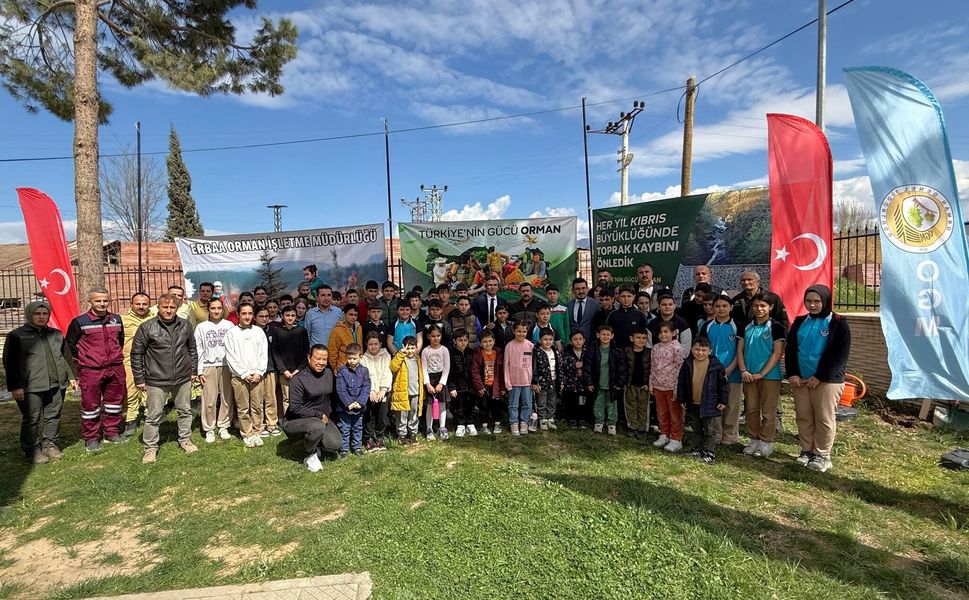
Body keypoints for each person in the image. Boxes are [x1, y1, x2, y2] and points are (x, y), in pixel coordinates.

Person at [786, 285, 851, 473]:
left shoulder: (838, 323)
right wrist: (793, 373)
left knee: (823, 418)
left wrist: (821, 376)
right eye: (808, 301)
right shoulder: (799, 322)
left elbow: (840, 355)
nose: (812, 305)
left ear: (825, 301)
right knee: (804, 416)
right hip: (801, 379)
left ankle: (822, 454)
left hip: (827, 381)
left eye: (817, 301)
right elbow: (791, 350)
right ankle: (807, 450)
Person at [130, 293, 199, 463]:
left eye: (172, 307)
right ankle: (150, 448)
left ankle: (185, 440)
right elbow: (136, 354)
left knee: (184, 411)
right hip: (156, 379)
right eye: (165, 307)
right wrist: (139, 378)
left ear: (177, 308)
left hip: (182, 377)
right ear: (158, 308)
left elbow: (192, 349)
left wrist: (193, 370)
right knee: (154, 415)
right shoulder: (147, 327)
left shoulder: (185, 325)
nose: (168, 311)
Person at [3, 301, 75, 464]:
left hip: (56, 384)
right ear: (30, 315)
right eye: (37, 314)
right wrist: (15, 386)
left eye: (45, 314)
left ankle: (50, 443)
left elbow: (66, 357)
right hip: (30, 386)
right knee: (32, 418)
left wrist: (71, 376)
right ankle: (32, 449)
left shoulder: (56, 334)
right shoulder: (16, 335)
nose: (41, 317)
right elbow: (10, 363)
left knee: (53, 415)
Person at [66, 287, 127, 452]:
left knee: (114, 403)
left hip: (115, 367)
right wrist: (84, 358)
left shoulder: (116, 319)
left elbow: (119, 341)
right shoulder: (80, 322)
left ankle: (111, 433)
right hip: (91, 370)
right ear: (90, 301)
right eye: (98, 300)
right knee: (90, 405)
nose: (102, 304)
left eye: (105, 300)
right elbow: (70, 344)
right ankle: (91, 438)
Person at [737, 292, 786, 459]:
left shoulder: (776, 327)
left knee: (768, 410)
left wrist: (762, 373)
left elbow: (777, 353)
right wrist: (744, 370)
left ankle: (766, 442)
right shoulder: (746, 326)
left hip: (769, 376)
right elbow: (740, 350)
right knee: (751, 409)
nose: (759, 309)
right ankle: (753, 438)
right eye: (756, 305)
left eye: (763, 306)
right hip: (749, 375)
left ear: (770, 307)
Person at [282, 345, 343, 472]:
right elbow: (295, 407)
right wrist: (319, 415)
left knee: (335, 444)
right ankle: (310, 454)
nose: (321, 362)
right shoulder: (298, 379)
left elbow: (332, 398)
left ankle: (315, 442)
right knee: (316, 426)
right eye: (318, 358)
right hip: (296, 421)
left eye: (324, 359)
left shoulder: (328, 374)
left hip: (322, 418)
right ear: (309, 358)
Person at [699, 295, 743, 446]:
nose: (721, 309)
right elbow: (702, 348)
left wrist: (731, 368)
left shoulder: (738, 326)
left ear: (730, 307)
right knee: (715, 403)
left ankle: (730, 436)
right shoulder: (707, 326)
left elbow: (740, 350)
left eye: (724, 306)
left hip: (733, 372)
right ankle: (716, 434)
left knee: (732, 404)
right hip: (712, 372)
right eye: (717, 306)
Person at [223, 303, 268, 448]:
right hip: (240, 376)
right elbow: (231, 357)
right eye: (244, 313)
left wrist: (259, 372)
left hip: (257, 376)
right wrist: (243, 373)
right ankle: (247, 433)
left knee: (257, 405)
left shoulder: (258, 332)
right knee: (243, 407)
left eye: (250, 313)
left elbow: (263, 354)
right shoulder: (232, 333)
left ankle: (256, 431)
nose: (247, 316)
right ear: (238, 315)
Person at [676, 337, 728, 464]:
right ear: (692, 349)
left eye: (703, 350)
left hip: (709, 403)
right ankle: (697, 449)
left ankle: (709, 452)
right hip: (693, 402)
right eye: (697, 349)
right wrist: (682, 398)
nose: (700, 353)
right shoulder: (687, 364)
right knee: (696, 428)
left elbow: (722, 385)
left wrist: (723, 401)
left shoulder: (716, 366)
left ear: (710, 351)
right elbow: (682, 382)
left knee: (709, 430)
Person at [194, 297, 235, 443]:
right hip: (208, 365)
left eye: (219, 308)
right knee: (209, 399)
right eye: (213, 308)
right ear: (208, 310)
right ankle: (209, 428)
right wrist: (199, 370)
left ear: (222, 309)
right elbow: (198, 349)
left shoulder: (229, 325)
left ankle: (223, 425)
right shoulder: (201, 327)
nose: (216, 311)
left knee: (226, 397)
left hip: (226, 366)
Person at [583, 324, 627, 435]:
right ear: (598, 335)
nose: (605, 337)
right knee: (598, 403)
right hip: (598, 382)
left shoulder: (617, 350)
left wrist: (619, 383)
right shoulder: (592, 349)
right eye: (603, 334)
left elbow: (622, 368)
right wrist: (589, 382)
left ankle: (611, 423)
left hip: (612, 383)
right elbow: (587, 367)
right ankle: (599, 422)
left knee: (612, 404)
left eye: (608, 335)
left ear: (612, 336)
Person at [650, 321, 687, 452]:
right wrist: (651, 383)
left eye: (666, 331)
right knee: (662, 412)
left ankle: (676, 438)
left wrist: (678, 388)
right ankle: (664, 434)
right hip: (658, 385)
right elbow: (653, 367)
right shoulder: (655, 348)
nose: (663, 334)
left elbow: (679, 369)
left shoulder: (678, 349)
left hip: (672, 387)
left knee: (675, 414)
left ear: (673, 333)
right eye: (660, 332)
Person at [120, 292, 152, 438]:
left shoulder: (155, 318)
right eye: (138, 304)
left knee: (151, 390)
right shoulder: (122, 320)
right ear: (131, 304)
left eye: (144, 304)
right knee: (131, 390)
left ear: (149, 305)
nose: (141, 306)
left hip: (151, 360)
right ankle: (131, 419)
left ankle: (150, 416)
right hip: (129, 361)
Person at [271, 306, 308, 417]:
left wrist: (299, 369)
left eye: (292, 315)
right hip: (285, 372)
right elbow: (275, 353)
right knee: (286, 397)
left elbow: (305, 351)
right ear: (282, 316)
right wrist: (284, 370)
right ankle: (288, 420)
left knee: (300, 396)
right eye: (287, 315)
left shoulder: (302, 331)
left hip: (299, 371)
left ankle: (300, 418)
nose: (290, 318)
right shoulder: (278, 332)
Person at [335, 343, 369, 459]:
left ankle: (357, 447)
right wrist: (348, 403)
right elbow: (341, 389)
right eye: (349, 358)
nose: (352, 361)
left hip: (359, 407)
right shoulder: (342, 371)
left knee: (357, 427)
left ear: (360, 356)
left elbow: (366, 388)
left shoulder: (364, 371)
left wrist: (360, 402)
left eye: (355, 358)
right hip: (345, 408)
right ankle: (344, 449)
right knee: (344, 428)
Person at [360, 332, 391, 451]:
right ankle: (369, 438)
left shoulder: (386, 356)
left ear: (380, 344)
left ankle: (379, 436)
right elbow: (365, 376)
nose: (373, 346)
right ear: (366, 345)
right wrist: (371, 391)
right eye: (370, 344)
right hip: (369, 392)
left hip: (382, 391)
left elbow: (386, 373)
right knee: (369, 416)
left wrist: (383, 390)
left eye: (376, 344)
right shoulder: (363, 359)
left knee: (382, 416)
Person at [471, 329, 504, 435]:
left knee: (497, 406)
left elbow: (502, 372)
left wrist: (502, 387)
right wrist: (479, 387)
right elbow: (474, 371)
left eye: (490, 341)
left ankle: (497, 425)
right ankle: (484, 426)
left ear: (494, 341)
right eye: (485, 342)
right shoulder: (478, 354)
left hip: (496, 386)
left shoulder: (498, 353)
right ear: (480, 342)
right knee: (483, 406)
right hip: (483, 386)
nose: (488, 344)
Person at [390, 336, 423, 444]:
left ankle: (413, 433)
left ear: (416, 348)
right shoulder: (400, 357)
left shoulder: (418, 359)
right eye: (408, 348)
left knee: (413, 413)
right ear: (404, 347)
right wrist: (401, 353)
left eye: (412, 348)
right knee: (402, 414)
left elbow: (421, 376)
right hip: (403, 392)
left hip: (416, 392)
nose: (410, 351)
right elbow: (393, 367)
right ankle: (402, 434)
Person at [504, 321, 534, 436]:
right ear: (513, 331)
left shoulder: (530, 346)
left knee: (527, 404)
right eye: (519, 331)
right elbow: (506, 365)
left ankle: (524, 422)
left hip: (527, 382)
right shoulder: (509, 346)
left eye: (524, 331)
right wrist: (507, 382)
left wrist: (533, 381)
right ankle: (514, 422)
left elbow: (533, 364)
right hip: (514, 382)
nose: (521, 334)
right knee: (513, 404)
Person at [421, 325, 451, 441]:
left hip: (441, 380)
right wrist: (427, 384)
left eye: (438, 336)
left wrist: (441, 383)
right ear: (428, 336)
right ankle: (429, 429)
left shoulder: (444, 350)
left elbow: (447, 368)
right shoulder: (425, 351)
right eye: (433, 336)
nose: (435, 338)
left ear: (441, 336)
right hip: (430, 379)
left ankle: (442, 427)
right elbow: (423, 369)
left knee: (442, 404)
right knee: (430, 405)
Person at [255, 307, 280, 437]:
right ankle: (260, 424)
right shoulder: (251, 331)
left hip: (270, 369)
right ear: (255, 317)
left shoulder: (273, 332)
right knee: (258, 398)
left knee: (271, 397)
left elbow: (277, 352)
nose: (264, 318)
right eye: (261, 316)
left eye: (266, 316)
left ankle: (271, 423)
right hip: (256, 370)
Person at [531, 329, 561, 431]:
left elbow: (559, 367)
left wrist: (561, 381)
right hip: (542, 382)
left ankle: (550, 418)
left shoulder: (555, 351)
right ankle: (542, 419)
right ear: (540, 340)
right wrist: (535, 382)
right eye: (545, 339)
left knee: (552, 400)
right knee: (542, 400)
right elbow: (534, 368)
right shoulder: (537, 352)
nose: (548, 342)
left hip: (554, 380)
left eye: (550, 339)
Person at [624, 327, 651, 440]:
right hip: (630, 384)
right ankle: (632, 426)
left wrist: (649, 383)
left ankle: (642, 428)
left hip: (644, 385)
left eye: (644, 338)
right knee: (630, 406)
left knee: (643, 407)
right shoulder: (626, 351)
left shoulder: (649, 352)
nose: (641, 340)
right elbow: (623, 368)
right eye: (638, 338)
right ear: (632, 338)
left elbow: (652, 369)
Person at [561, 330, 590, 428]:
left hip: (583, 384)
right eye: (575, 339)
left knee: (582, 402)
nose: (578, 341)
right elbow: (562, 365)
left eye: (580, 339)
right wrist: (574, 365)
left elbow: (591, 365)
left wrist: (583, 367)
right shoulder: (566, 352)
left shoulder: (587, 352)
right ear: (570, 341)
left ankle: (582, 419)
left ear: (584, 340)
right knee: (571, 401)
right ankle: (572, 419)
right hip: (570, 383)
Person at [449, 329, 476, 436]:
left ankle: (470, 423)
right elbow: (450, 372)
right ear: (455, 341)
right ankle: (460, 425)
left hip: (471, 385)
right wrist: (451, 387)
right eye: (460, 340)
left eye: (465, 340)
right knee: (458, 406)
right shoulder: (451, 353)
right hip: (458, 386)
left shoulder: (472, 353)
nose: (463, 342)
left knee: (471, 405)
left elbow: (476, 370)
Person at [328, 304, 362, 371]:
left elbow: (361, 347)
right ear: (344, 314)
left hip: (358, 366)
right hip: (343, 367)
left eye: (355, 315)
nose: (353, 317)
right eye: (351, 314)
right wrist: (335, 368)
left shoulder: (359, 328)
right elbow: (332, 352)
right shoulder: (337, 331)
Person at [568, 278, 600, 343]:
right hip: (573, 343)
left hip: (591, 342)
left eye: (583, 288)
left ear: (587, 289)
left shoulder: (596, 304)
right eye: (577, 289)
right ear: (573, 290)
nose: (581, 291)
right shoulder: (567, 306)